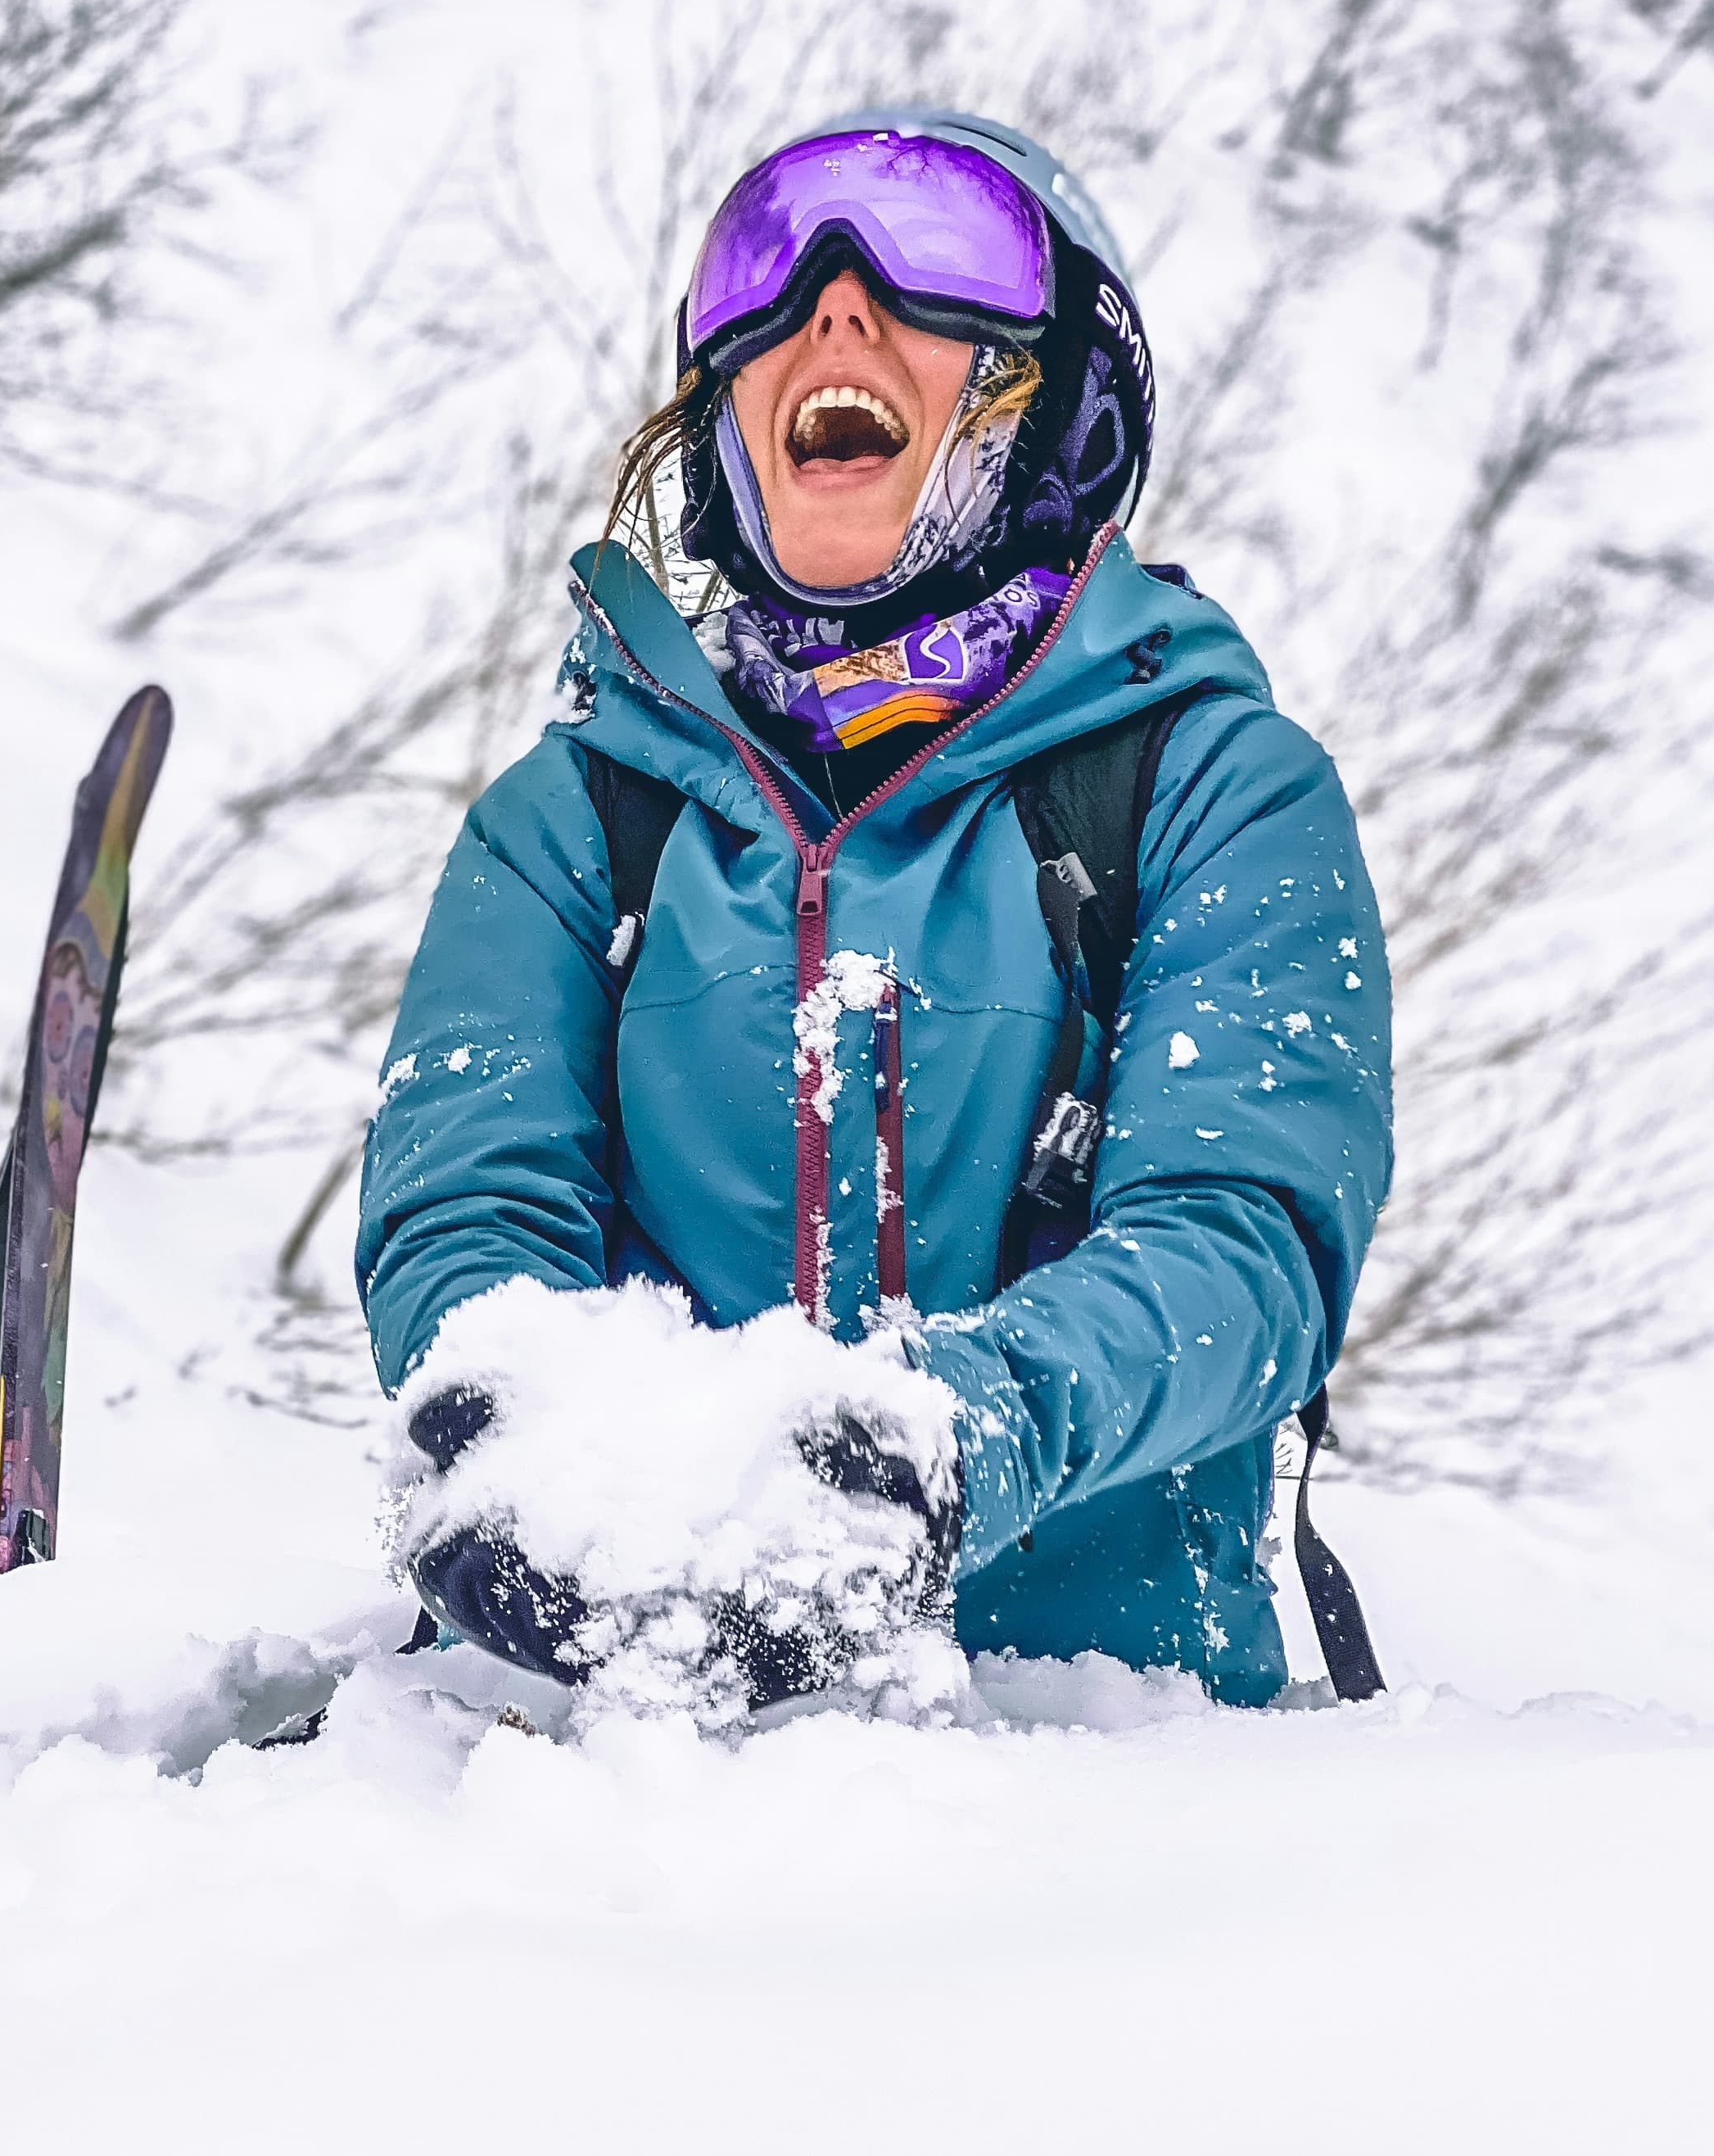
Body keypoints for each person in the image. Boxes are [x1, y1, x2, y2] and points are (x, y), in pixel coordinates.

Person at [356, 111, 1394, 1710]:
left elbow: (1246, 1246)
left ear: (1054, 395)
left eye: (943, 261)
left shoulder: (1214, 786)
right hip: (582, 1778)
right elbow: (469, 1200)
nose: (830, 308)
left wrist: (943, 1445)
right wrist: (505, 1414)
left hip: (1106, 1784)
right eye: (763, 266)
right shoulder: (576, 817)